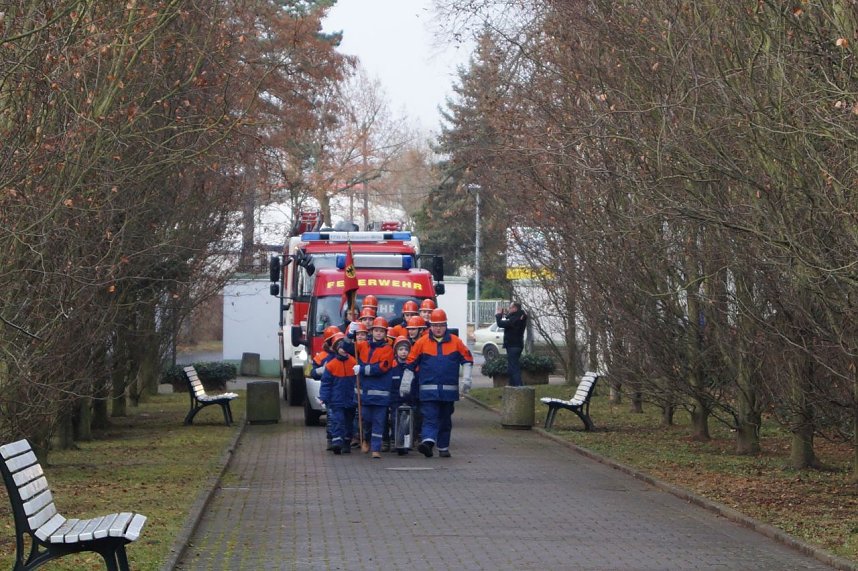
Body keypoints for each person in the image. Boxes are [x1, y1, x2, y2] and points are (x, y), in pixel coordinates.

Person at [402, 308, 473, 458]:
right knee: (430, 417)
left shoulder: (456, 342)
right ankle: (428, 442)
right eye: (435, 325)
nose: (438, 328)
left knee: (445, 420)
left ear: (446, 325)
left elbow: (467, 360)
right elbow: (410, 363)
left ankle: (443, 447)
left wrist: (467, 379)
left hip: (448, 392)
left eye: (441, 325)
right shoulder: (422, 343)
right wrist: (405, 383)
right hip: (428, 391)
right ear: (430, 326)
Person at [353, 317, 395, 459]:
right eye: (376, 330)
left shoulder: (388, 349)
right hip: (365, 393)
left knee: (379, 421)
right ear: (371, 332)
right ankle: (366, 440)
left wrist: (363, 369)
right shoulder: (363, 346)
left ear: (385, 333)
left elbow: (382, 368)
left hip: (381, 394)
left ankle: (375, 448)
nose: (378, 333)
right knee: (366, 420)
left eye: (381, 331)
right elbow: (347, 348)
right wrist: (349, 334)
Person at [318, 333, 357, 455]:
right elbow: (326, 383)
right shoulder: (331, 365)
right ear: (336, 349)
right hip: (336, 399)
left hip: (351, 399)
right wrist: (324, 397)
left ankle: (346, 442)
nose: (343, 350)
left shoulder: (354, 363)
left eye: (345, 348)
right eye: (341, 348)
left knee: (349, 422)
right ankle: (337, 442)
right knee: (337, 420)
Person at [312, 326, 343, 451]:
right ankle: (331, 439)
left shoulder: (342, 354)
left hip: (341, 390)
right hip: (329, 391)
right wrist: (322, 370)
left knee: (341, 417)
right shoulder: (322, 356)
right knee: (331, 417)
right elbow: (312, 372)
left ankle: (341, 438)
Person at [496, 301, 527, 387]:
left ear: (515, 308)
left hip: (513, 345)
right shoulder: (519, 316)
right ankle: (512, 386)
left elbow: (500, 324)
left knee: (514, 367)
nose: (509, 309)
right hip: (515, 345)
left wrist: (498, 315)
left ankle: (519, 387)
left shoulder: (516, 318)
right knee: (511, 367)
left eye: (510, 308)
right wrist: (504, 315)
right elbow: (509, 320)